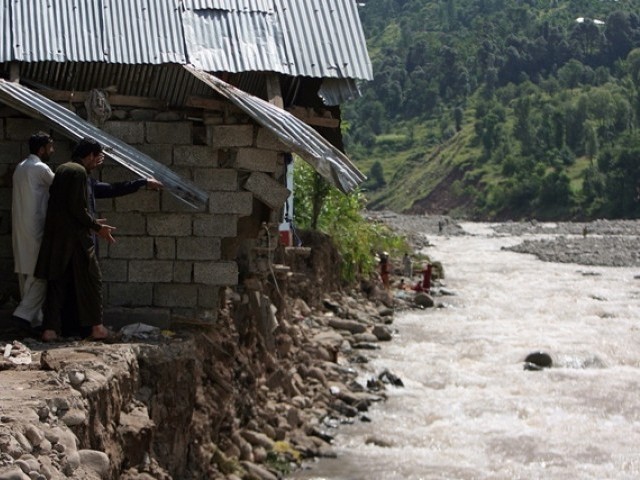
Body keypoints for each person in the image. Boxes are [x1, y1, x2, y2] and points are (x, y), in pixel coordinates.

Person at [35, 138, 116, 342]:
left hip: (57, 238)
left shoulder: (62, 169)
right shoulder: (79, 172)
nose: (96, 163)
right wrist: (97, 227)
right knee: (92, 279)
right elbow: (78, 209)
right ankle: (97, 328)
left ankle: (50, 330)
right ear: (89, 156)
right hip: (75, 240)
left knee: (57, 282)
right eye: (96, 159)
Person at [10, 132, 55, 335]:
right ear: (41, 149)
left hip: (20, 227)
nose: (52, 151)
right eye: (50, 147)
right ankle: (23, 314)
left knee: (26, 273)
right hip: (35, 227)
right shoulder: (40, 168)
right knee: (40, 274)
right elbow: (60, 186)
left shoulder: (20, 168)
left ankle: (34, 323)